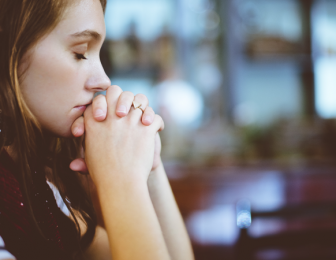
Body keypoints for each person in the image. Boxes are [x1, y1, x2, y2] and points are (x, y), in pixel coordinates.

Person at [0, 0, 194, 259]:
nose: (104, 80)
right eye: (80, 52)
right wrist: (121, 179)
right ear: (8, 49)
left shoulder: (35, 188)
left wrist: (148, 165)